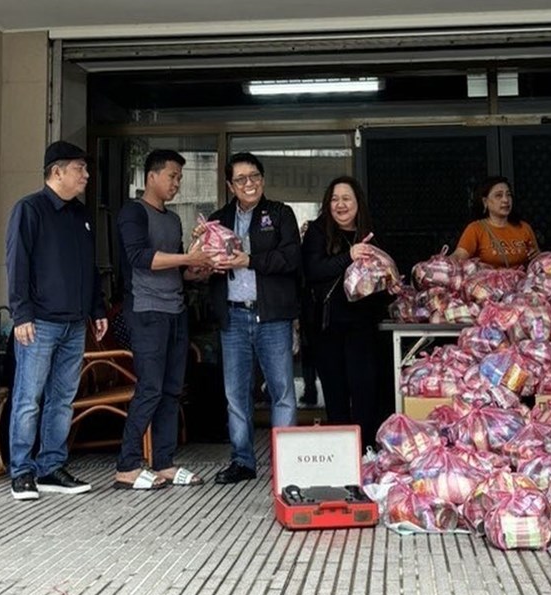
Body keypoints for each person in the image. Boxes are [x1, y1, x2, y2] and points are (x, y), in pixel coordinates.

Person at [6, 141, 108, 501]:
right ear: (57, 171)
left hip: (74, 322)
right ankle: (21, 471)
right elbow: (17, 264)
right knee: (28, 397)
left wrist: (97, 309)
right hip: (40, 322)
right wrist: (21, 313)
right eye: (79, 168)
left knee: (62, 399)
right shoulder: (29, 210)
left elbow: (89, 268)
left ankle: (51, 466)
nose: (86, 175)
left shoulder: (80, 215)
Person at [113, 149, 211, 491]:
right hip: (147, 311)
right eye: (172, 176)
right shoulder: (133, 213)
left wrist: (196, 269)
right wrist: (187, 257)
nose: (177, 183)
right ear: (151, 176)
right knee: (150, 387)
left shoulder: (172, 220)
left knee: (171, 390)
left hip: (175, 310)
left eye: (179, 178)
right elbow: (140, 258)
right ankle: (127, 465)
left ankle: (164, 463)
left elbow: (175, 270)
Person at [204, 152, 300, 484]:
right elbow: (205, 266)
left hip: (271, 315)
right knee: (236, 393)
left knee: (282, 391)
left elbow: (290, 258)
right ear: (230, 184)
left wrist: (249, 259)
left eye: (255, 176)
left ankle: (286, 463)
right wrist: (205, 262)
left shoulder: (280, 213)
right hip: (233, 315)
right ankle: (242, 461)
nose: (250, 184)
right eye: (242, 179)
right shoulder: (217, 220)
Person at [301, 176, 386, 448]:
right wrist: (348, 256)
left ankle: (366, 452)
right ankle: (344, 455)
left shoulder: (370, 233)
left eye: (346, 198)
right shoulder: (317, 232)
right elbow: (313, 271)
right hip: (328, 328)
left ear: (358, 203)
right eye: (334, 199)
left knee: (365, 393)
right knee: (335, 395)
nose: (340, 205)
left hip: (362, 328)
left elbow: (377, 282)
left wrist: (390, 284)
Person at [450, 176, 538, 268]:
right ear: (485, 202)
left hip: (521, 281)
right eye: (498, 195)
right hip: (488, 281)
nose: (506, 200)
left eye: (508, 195)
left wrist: (536, 257)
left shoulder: (524, 227)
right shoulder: (475, 229)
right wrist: (443, 264)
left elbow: (538, 261)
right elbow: (459, 256)